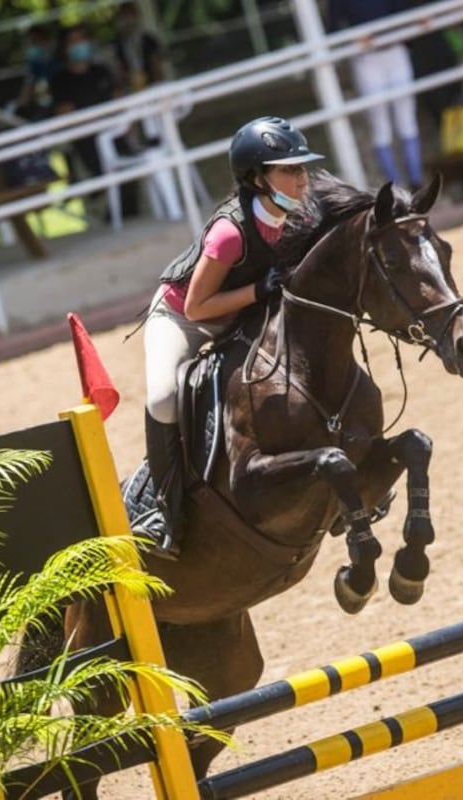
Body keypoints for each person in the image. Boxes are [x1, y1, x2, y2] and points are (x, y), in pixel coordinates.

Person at [142, 116, 323, 558]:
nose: (301, 179)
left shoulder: (302, 216)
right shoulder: (229, 232)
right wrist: (258, 290)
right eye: (289, 170)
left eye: (302, 169)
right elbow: (196, 307)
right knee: (164, 397)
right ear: (257, 177)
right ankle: (163, 508)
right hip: (184, 316)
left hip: (244, 312)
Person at [327, 0, 425, 190]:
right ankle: (395, 189)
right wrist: (352, 38)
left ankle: (416, 182)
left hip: (395, 50)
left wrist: (414, 21)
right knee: (380, 127)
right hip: (367, 57)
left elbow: (405, 8)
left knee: (407, 120)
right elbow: (333, 28)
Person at [50, 23, 138, 219]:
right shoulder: (60, 81)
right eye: (73, 41)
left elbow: (119, 101)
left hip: (115, 135)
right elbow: (67, 115)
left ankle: (128, 217)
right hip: (86, 142)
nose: (80, 44)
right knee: (105, 181)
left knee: (130, 175)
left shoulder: (101, 72)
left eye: (82, 39)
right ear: (64, 47)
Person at [111, 3, 167, 93]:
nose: (127, 21)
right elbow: (120, 70)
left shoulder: (148, 39)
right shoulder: (119, 44)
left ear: (136, 16)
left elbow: (157, 66)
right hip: (131, 89)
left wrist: (160, 88)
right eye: (124, 17)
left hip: (153, 85)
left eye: (129, 16)